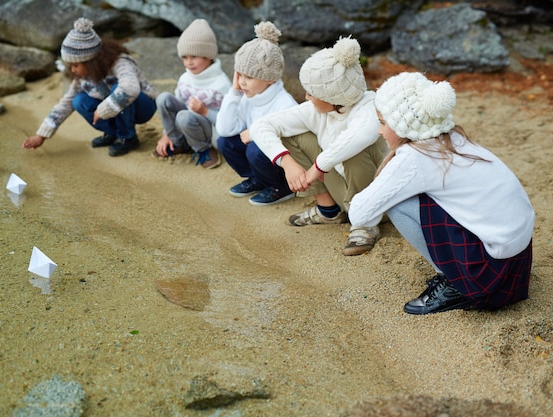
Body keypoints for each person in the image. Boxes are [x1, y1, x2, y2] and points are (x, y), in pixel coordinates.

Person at [348, 72, 534, 315]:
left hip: (487, 274)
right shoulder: (454, 138)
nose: (379, 132)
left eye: (383, 123)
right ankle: (457, 273)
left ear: (404, 125)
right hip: (516, 265)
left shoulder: (416, 157)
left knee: (399, 203)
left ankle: (455, 284)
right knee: (429, 197)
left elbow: (359, 214)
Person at [250, 36, 386, 255]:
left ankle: (365, 224)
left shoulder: (370, 104)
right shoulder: (315, 110)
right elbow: (261, 126)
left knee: (353, 150)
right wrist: (287, 163)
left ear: (333, 95)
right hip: (344, 191)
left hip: (380, 199)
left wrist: (318, 166)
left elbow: (362, 135)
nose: (306, 97)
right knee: (290, 137)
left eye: (311, 92)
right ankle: (329, 210)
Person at [22, 17, 157, 157]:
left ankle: (127, 137)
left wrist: (104, 109)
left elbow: (130, 89)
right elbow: (64, 105)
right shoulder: (83, 77)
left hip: (143, 106)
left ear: (91, 61)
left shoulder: (120, 63)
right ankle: (113, 133)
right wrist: (41, 135)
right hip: (113, 109)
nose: (72, 70)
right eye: (70, 65)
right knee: (78, 101)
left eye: (76, 65)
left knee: (118, 88)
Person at [216, 21, 297, 198]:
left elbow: (288, 138)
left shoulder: (285, 103)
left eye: (249, 77)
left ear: (270, 79)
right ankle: (257, 178)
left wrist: (254, 132)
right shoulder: (247, 96)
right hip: (260, 157)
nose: (242, 81)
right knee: (224, 141)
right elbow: (224, 129)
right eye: (240, 75)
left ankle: (280, 187)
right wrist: (234, 93)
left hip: (281, 160)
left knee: (255, 147)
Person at [153, 18, 231, 169]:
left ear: (208, 55)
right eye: (184, 57)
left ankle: (203, 149)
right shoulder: (185, 78)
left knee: (184, 116)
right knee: (164, 99)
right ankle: (176, 141)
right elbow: (174, 107)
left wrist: (205, 111)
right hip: (185, 124)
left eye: (194, 56)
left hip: (208, 129)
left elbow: (229, 120)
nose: (188, 63)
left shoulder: (221, 84)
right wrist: (166, 134)